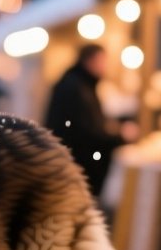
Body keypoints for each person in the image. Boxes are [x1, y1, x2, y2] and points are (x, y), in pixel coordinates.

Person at [45, 44, 126, 198]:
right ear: (90, 61)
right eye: (102, 61)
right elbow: (85, 130)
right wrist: (119, 137)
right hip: (76, 165)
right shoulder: (76, 87)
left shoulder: (78, 83)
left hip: (70, 162)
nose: (105, 67)